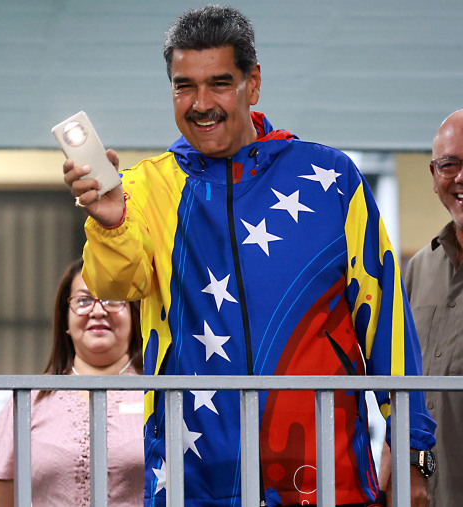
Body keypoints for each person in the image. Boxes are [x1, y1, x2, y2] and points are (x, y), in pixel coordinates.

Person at [62, 5, 436, 507]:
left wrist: (411, 447)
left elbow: (384, 316)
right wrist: (109, 222)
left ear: (252, 83)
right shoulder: (145, 188)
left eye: (219, 83)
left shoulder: (331, 178)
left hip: (326, 476)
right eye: (183, 86)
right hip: (193, 482)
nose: (200, 103)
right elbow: (113, 285)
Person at [0, 258, 144, 506]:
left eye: (113, 299)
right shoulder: (31, 399)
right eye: (83, 300)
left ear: (134, 314)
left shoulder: (158, 395)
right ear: (65, 320)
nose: (98, 311)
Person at [379, 110, 463, 507]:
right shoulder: (418, 270)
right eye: (450, 165)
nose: (460, 177)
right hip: (427, 494)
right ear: (434, 176)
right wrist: (392, 462)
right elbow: (404, 381)